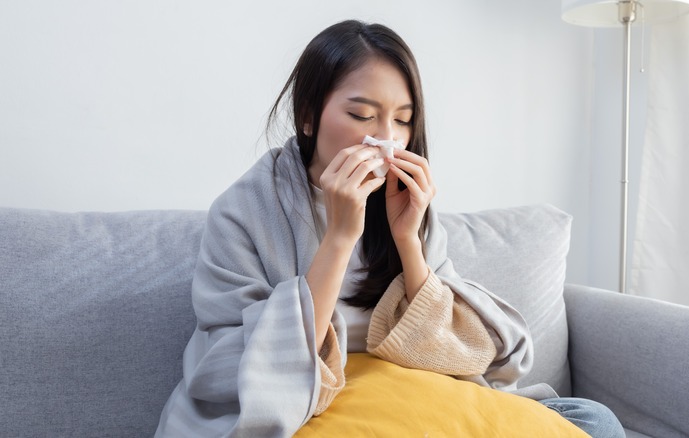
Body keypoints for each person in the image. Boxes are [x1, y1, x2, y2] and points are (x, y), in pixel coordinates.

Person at [155, 19, 625, 438]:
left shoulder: (404, 205)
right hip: (317, 404)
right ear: (307, 116)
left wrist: (407, 240)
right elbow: (241, 370)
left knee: (593, 421)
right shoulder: (243, 212)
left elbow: (450, 351)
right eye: (361, 115)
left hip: (413, 386)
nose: (385, 138)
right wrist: (339, 237)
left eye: (402, 120)